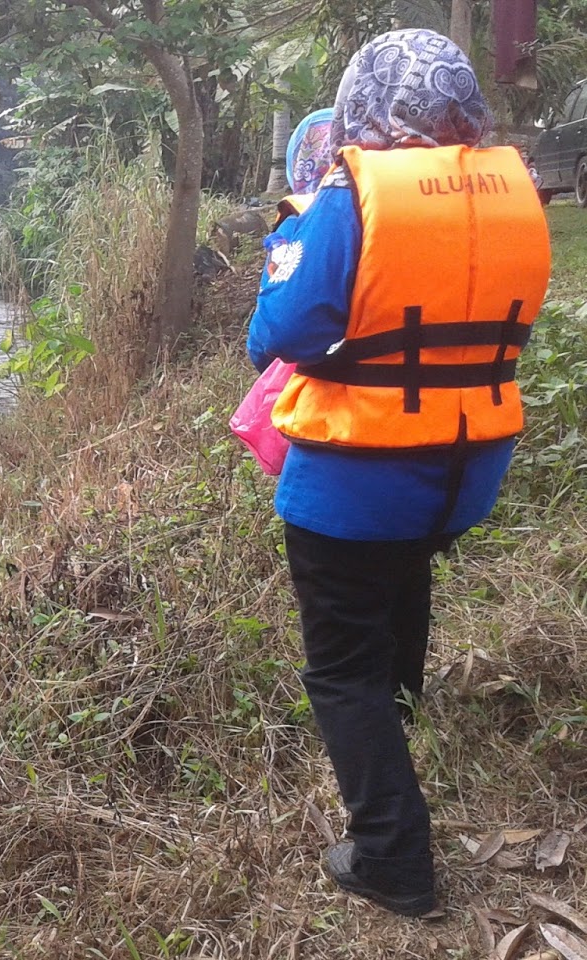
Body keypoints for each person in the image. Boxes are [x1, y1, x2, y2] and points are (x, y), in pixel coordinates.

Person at [247, 29, 549, 918]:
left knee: (340, 669)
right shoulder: (513, 193)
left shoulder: (349, 202)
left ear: (364, 100)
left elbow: (279, 337)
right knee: (404, 569)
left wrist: (290, 246)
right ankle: (404, 706)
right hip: (467, 472)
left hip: (355, 477)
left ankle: (393, 857)